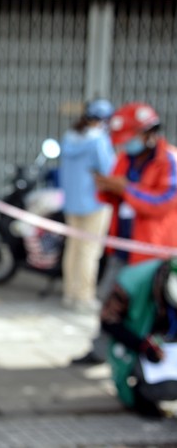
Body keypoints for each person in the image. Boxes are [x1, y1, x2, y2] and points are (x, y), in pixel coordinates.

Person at [72, 102, 177, 365]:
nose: (126, 145)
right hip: (122, 248)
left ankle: (145, 358)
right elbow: (111, 195)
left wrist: (126, 189)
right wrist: (108, 187)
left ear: (149, 133)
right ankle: (100, 352)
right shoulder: (124, 159)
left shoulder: (170, 160)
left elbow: (164, 201)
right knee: (110, 304)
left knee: (145, 309)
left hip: (152, 252)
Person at [58, 99, 116, 312]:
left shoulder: (69, 137)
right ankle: (83, 298)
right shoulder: (99, 140)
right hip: (95, 203)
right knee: (89, 251)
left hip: (72, 202)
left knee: (73, 249)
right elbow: (109, 170)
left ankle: (69, 294)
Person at [100, 259, 177, 417]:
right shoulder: (132, 282)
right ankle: (141, 394)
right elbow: (108, 320)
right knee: (168, 388)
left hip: (169, 346)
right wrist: (142, 346)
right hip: (137, 344)